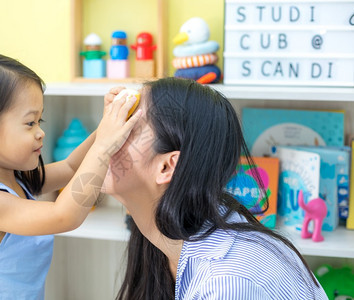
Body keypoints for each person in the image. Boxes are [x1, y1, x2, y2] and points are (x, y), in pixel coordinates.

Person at [0, 51, 141, 299]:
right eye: (30, 123)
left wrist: (106, 126)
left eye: (40, 120)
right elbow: (65, 216)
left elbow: (71, 168)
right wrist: (104, 146)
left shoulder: (17, 179)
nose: (41, 132)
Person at [102, 77, 328, 300]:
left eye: (127, 124)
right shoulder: (169, 235)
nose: (106, 136)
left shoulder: (225, 283)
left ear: (167, 166)